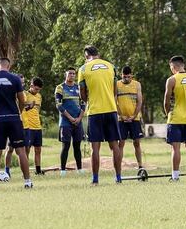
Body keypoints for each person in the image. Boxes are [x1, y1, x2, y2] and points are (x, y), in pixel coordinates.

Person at [0, 58, 32, 190]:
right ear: (8, 66)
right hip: (14, 119)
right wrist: (19, 111)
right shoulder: (15, 79)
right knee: (21, 151)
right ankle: (27, 182)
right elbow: (22, 100)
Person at [78, 45, 122, 184]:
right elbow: (115, 90)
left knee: (94, 147)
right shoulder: (111, 66)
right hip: (111, 109)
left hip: (95, 112)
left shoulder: (83, 69)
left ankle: (95, 179)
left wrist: (89, 100)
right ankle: (118, 178)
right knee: (115, 145)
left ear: (86, 56)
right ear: (98, 53)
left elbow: (82, 94)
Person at [164, 55, 186, 181]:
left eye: (171, 68)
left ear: (173, 67)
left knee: (175, 148)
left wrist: (167, 112)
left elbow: (166, 100)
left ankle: (175, 177)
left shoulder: (172, 79)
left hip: (176, 118)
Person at [55, 67, 85, 176]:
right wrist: (70, 118)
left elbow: (83, 104)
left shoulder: (78, 88)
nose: (72, 75)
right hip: (65, 122)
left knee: (77, 146)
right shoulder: (60, 88)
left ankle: (80, 169)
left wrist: (79, 118)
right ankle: (63, 170)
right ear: (66, 75)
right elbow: (58, 105)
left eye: (73, 74)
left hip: (78, 121)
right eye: (70, 73)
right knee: (66, 146)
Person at [116, 66, 146, 175]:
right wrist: (121, 115)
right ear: (121, 75)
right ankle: (118, 167)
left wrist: (134, 116)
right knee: (121, 143)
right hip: (121, 119)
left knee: (136, 142)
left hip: (135, 118)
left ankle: (140, 165)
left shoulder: (137, 84)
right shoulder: (117, 84)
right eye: (125, 77)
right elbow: (115, 102)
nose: (127, 78)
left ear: (131, 76)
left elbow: (139, 101)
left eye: (129, 77)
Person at [22, 77, 44, 175]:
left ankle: (38, 170)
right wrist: (28, 106)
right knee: (27, 149)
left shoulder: (39, 96)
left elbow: (37, 110)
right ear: (31, 85)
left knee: (38, 149)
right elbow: (21, 108)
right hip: (28, 127)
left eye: (39, 90)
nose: (37, 91)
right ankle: (25, 171)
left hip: (37, 127)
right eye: (36, 89)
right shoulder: (24, 95)